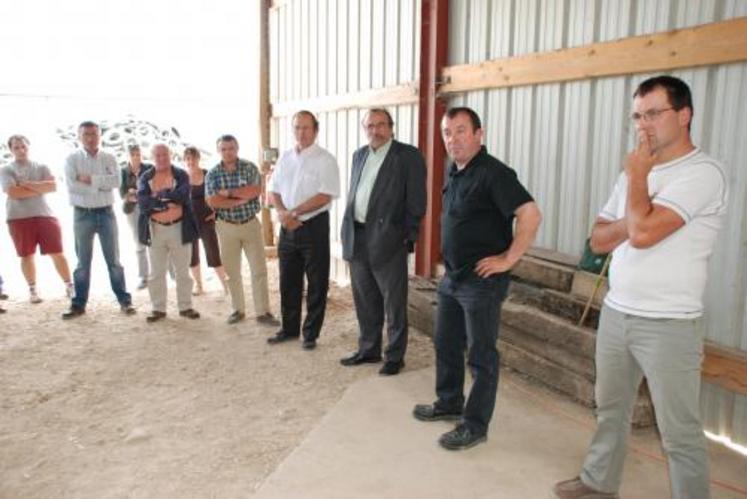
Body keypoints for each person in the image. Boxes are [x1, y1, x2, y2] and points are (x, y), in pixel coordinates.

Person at [552, 76, 727, 499]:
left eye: (653, 113)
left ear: (683, 115)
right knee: (610, 409)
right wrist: (638, 204)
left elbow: (644, 233)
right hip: (617, 312)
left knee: (679, 432)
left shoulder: (704, 173)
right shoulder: (634, 172)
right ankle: (598, 482)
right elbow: (597, 240)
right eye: (637, 115)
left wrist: (637, 186)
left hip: (669, 323)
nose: (643, 124)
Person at [412, 107, 542, 450]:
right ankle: (449, 401)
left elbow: (530, 213)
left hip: (481, 283)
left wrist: (508, 259)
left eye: (460, 131)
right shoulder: (457, 172)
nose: (452, 139)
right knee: (446, 343)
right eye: (447, 132)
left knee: (481, 356)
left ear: (478, 134)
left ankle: (475, 425)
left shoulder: (494, 173)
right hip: (453, 278)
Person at [339, 108, 426, 375]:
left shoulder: (407, 156)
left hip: (389, 238)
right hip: (358, 234)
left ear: (391, 127)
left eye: (380, 125)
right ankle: (369, 349)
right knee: (365, 297)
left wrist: (407, 236)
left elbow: (417, 200)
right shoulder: (359, 155)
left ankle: (394, 356)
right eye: (370, 126)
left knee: (393, 301)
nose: (375, 131)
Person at [267, 110, 340, 350]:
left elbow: (325, 194)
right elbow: (274, 190)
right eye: (297, 127)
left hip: (313, 226)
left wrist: (294, 212)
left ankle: (310, 334)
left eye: (306, 127)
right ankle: (289, 329)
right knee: (288, 279)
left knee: (317, 282)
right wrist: (282, 214)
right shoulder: (286, 157)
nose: (301, 132)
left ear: (316, 130)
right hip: (287, 227)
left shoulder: (325, 159)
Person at [61, 121, 135, 319]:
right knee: (82, 262)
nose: (91, 138)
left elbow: (116, 182)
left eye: (94, 134)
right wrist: (101, 181)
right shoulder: (71, 159)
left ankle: (124, 301)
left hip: (106, 212)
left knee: (114, 261)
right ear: (80, 136)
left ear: (100, 135)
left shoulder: (109, 157)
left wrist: (90, 179)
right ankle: (78, 304)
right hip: (82, 214)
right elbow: (72, 186)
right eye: (86, 134)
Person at [205, 135, 279, 326]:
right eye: (223, 149)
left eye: (231, 148)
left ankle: (263, 312)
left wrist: (228, 194)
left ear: (237, 148)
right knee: (232, 271)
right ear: (219, 151)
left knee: (259, 269)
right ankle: (238, 309)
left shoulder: (249, 168)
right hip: (226, 227)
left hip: (250, 225)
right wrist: (240, 198)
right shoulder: (212, 174)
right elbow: (212, 201)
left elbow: (254, 191)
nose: (228, 152)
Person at [0, 135, 74, 303]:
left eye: (23, 146)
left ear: (29, 147)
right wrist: (39, 188)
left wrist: (25, 184)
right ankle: (33, 289)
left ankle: (69, 285)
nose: (21, 150)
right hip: (18, 217)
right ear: (11, 150)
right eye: (16, 147)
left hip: (44, 214)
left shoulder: (42, 166)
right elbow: (13, 192)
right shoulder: (6, 170)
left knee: (57, 252)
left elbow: (53, 186)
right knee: (26, 255)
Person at [137, 143, 200, 322]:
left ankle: (186, 306)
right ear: (152, 157)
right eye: (158, 155)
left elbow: (182, 195)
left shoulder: (181, 175)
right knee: (156, 272)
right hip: (155, 229)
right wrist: (166, 202)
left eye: (165, 154)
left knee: (182, 270)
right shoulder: (145, 177)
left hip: (180, 228)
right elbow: (143, 203)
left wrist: (157, 196)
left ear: (170, 155)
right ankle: (158, 308)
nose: (162, 158)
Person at [183, 146, 228, 295]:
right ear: (185, 161)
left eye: (193, 158)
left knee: (213, 251)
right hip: (189, 221)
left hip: (206, 220)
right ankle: (199, 285)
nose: (191, 161)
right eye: (188, 159)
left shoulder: (207, 174)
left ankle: (225, 285)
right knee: (192, 255)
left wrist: (217, 212)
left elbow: (220, 194)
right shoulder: (182, 178)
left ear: (198, 159)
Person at [119, 144, 152, 290]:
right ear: (128, 156)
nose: (136, 158)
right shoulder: (123, 172)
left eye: (138, 155)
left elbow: (154, 189)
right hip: (132, 210)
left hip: (149, 207)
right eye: (133, 155)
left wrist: (137, 193)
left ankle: (168, 274)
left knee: (157, 239)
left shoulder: (149, 169)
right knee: (139, 242)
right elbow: (122, 194)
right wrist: (131, 194)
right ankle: (143, 277)